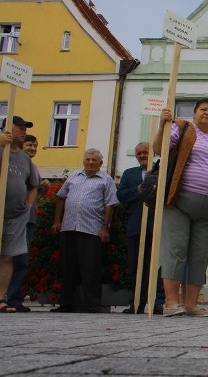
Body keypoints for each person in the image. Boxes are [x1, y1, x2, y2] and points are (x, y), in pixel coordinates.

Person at [153, 99, 208, 317]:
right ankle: (170, 302)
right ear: (194, 113)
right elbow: (160, 149)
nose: (207, 113)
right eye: (203, 109)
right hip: (179, 201)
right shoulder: (183, 128)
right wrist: (162, 126)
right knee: (175, 250)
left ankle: (191, 304)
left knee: (199, 255)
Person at [51, 149, 119, 313]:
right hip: (69, 227)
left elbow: (109, 204)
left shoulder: (106, 179)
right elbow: (62, 198)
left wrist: (105, 227)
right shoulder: (73, 176)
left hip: (91, 230)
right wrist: (57, 221)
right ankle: (66, 304)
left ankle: (93, 305)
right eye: (87, 159)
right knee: (68, 268)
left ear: (100, 163)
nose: (90, 162)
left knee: (91, 269)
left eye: (93, 160)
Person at [116, 142, 164, 315]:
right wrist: (138, 190)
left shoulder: (162, 171)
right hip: (136, 225)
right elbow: (121, 195)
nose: (142, 155)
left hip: (157, 225)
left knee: (157, 267)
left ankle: (157, 302)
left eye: (145, 152)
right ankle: (136, 302)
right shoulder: (130, 174)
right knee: (135, 266)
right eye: (139, 153)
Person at [6, 134, 49, 312]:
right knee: (8, 258)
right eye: (30, 144)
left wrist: (41, 191)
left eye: (35, 145)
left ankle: (14, 298)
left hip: (28, 219)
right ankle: (7, 297)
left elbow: (31, 196)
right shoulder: (13, 164)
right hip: (13, 216)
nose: (33, 148)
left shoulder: (33, 167)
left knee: (21, 260)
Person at [0, 117, 39, 313]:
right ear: (7, 129)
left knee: (7, 257)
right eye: (20, 128)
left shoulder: (24, 158)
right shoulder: (1, 149)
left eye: (25, 128)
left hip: (16, 215)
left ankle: (1, 299)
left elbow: (33, 184)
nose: (23, 131)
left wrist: (28, 205)